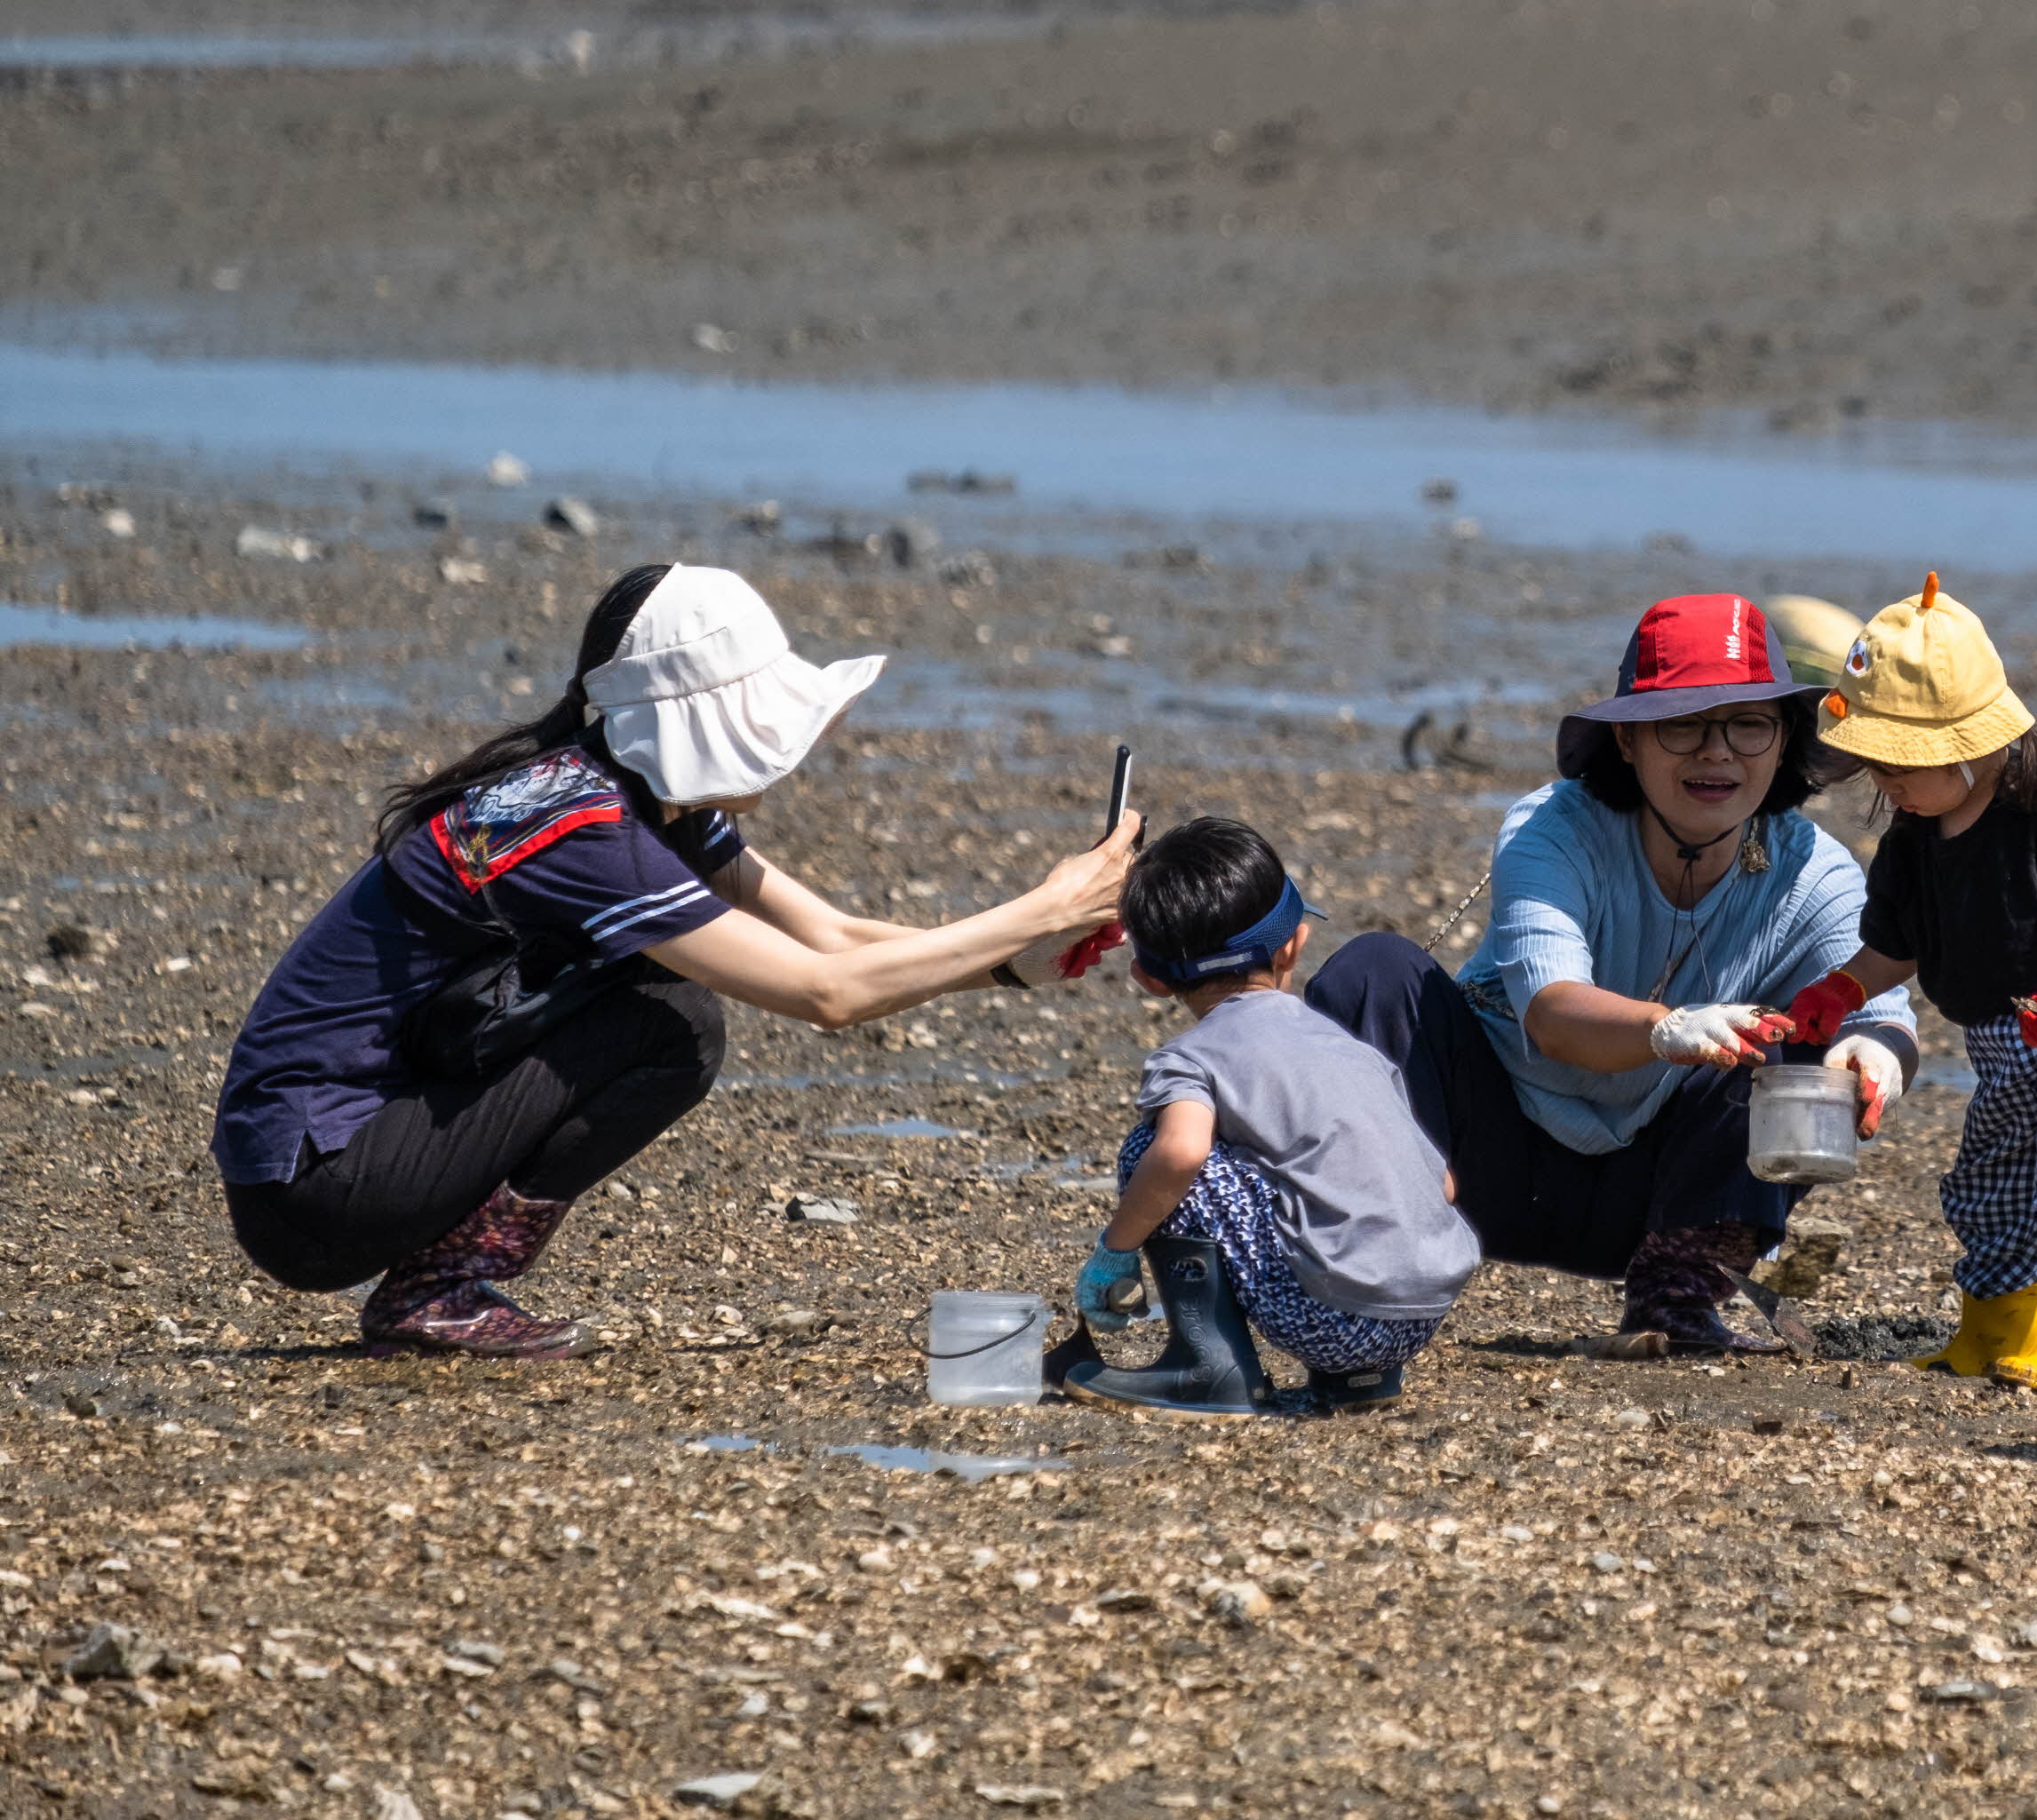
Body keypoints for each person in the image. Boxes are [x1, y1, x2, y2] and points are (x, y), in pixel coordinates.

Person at [216, 562, 1135, 1358]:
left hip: (353, 1149)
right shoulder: (577, 828)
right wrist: (1045, 904)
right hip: (312, 1184)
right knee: (672, 1018)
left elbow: (833, 938)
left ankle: (440, 1285)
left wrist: (1018, 960)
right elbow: (828, 995)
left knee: (664, 996)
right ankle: (442, 1288)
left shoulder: (642, 801)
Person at [1301, 596, 1919, 1356]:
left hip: (1653, 1196)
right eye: (1683, 723)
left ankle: (1679, 1296)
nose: (1717, 752)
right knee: (1374, 969)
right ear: (1626, 739)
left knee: (1802, 1041)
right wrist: (1665, 1028)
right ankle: (1372, 1255)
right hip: (1475, 1161)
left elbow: (1879, 1001)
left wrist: (1879, 1050)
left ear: (1786, 736)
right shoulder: (1551, 828)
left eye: (1748, 724)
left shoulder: (1813, 869)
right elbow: (1554, 1013)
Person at [1779, 573, 2037, 1403]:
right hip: (2005, 1035)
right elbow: (1896, 949)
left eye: (1900, 763)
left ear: (1969, 745)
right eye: (1875, 765)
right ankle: (1994, 1329)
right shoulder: (1915, 836)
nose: (1885, 783)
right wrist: (1842, 991)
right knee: (1989, 1179)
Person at [1065, 817, 1478, 1419]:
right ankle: (1358, 1380)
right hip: (1421, 1315)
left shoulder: (1190, 1058)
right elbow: (1439, 1182)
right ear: (1294, 943)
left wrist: (1113, 1250)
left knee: (1150, 1150)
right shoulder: (1354, 1051)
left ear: (1149, 978)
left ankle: (1209, 1367)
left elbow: (1180, 1155)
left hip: (1332, 1319)